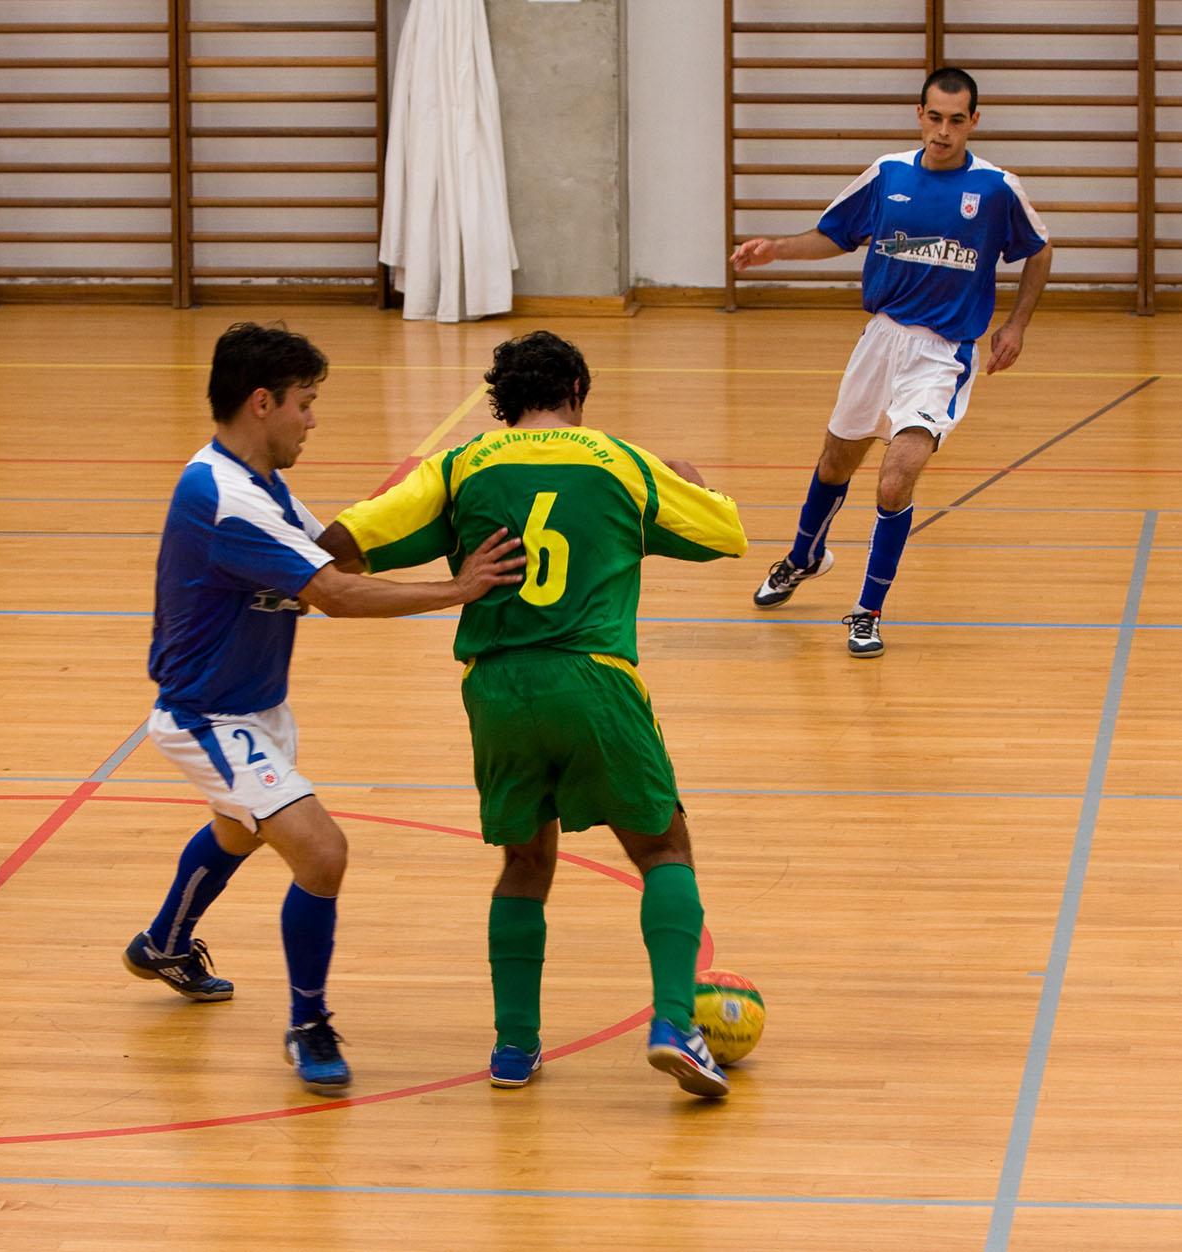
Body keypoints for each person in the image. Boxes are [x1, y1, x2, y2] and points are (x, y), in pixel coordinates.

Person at [318, 330, 749, 1099]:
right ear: (577, 392)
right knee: (661, 849)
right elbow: (725, 535)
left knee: (523, 862)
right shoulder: (617, 459)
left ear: (498, 401)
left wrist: (450, 555)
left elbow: (341, 544)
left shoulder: (457, 465)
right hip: (592, 680)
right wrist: (698, 488)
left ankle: (514, 1049)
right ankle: (675, 1025)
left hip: (496, 692)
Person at [123, 322, 524, 1096]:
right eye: (306, 404)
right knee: (321, 852)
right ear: (262, 402)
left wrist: (457, 507)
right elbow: (333, 594)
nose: (314, 419)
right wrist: (459, 589)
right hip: (207, 715)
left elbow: (339, 554)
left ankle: (164, 943)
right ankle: (307, 1023)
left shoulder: (261, 488)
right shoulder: (225, 499)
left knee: (236, 832)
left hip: (256, 706)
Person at [731, 66, 1053, 657]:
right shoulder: (887, 174)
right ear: (919, 115)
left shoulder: (997, 189)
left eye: (957, 120)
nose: (944, 131)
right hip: (879, 339)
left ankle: (867, 610)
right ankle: (804, 557)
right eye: (935, 117)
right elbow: (835, 234)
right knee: (836, 461)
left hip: (943, 353)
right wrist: (776, 248)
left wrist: (1017, 324)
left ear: (973, 122)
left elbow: (1039, 249)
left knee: (896, 475)